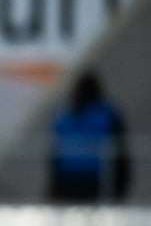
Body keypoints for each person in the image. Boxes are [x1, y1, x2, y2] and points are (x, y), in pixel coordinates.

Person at [48, 69, 130, 202]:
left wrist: (53, 185)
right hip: (95, 179)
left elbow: (54, 153)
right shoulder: (107, 113)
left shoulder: (62, 114)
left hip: (68, 179)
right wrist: (121, 185)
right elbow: (121, 151)